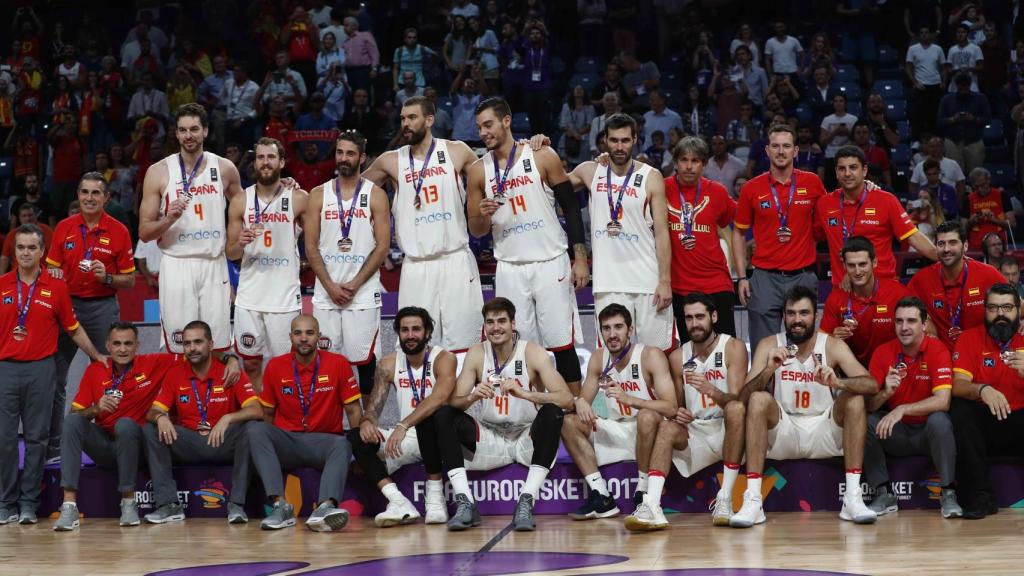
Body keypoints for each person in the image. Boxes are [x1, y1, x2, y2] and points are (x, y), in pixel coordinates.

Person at [53, 322, 241, 530]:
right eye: (117, 344)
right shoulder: (96, 371)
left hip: (136, 446)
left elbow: (196, 353)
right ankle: (69, 505)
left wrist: (230, 358)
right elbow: (75, 415)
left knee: (125, 425)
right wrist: (96, 409)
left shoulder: (154, 363)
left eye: (128, 344)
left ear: (137, 346)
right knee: (71, 421)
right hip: (106, 445)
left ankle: (128, 503)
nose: (122, 349)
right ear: (108, 345)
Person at [467, 97, 589, 393]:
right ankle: (531, 411)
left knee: (562, 343)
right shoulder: (477, 170)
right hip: (509, 266)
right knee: (517, 347)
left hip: (550, 261)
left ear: (506, 121)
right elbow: (476, 229)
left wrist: (580, 258)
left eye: (489, 124)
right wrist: (482, 215)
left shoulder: (542, 155)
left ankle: (574, 409)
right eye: (480, 127)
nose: (483, 132)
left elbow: (571, 208)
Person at [729, 286, 879, 527]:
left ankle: (852, 497)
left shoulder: (831, 345)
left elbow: (872, 385)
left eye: (804, 313)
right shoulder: (769, 344)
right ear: (783, 316)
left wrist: (837, 381)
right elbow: (743, 399)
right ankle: (753, 500)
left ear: (815, 316)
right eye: (791, 313)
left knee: (854, 399)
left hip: (824, 428)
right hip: (784, 430)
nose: (797, 320)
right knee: (758, 400)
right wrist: (769, 369)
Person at [432, 297, 572, 531]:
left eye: (501, 321)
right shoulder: (477, 353)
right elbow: (454, 402)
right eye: (490, 322)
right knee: (444, 414)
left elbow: (566, 398)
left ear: (513, 324)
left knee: (553, 412)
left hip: (526, 437)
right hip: (491, 438)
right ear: (484, 327)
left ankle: (526, 500)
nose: (495, 327)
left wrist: (525, 394)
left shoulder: (533, 352)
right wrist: (473, 396)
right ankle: (466, 503)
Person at [0, 224, 106, 525]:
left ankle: (29, 504)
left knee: (37, 440)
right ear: (14, 251)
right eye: (20, 247)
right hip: (5, 368)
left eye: (32, 247)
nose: (25, 253)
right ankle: (5, 502)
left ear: (42, 251)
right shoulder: (2, 284)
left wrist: (96, 355)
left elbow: (72, 327)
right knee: (5, 439)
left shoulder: (56, 286)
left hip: (42, 369)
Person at [362, 96, 483, 353]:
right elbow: (349, 193)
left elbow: (495, 174)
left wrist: (526, 146)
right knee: (415, 348)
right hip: (416, 266)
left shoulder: (456, 151)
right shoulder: (390, 161)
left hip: (456, 261)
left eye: (412, 118)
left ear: (429, 120)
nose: (405, 124)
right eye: (403, 118)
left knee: (466, 346)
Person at [626, 292, 748, 530]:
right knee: (668, 426)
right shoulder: (677, 356)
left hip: (727, 428)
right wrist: (678, 413)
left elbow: (739, 401)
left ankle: (725, 498)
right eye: (689, 318)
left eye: (700, 317)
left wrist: (711, 390)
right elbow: (677, 405)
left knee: (735, 410)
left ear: (713, 316)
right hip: (696, 432)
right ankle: (651, 505)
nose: (694, 324)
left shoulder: (733, 347)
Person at [44, 172, 136, 461]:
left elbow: (130, 281)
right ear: (78, 194)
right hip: (66, 307)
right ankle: (56, 447)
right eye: (84, 192)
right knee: (55, 379)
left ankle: (113, 442)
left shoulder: (119, 230)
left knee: (113, 374)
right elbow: (50, 269)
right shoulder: (64, 228)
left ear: (106, 197)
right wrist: (54, 273)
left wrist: (107, 276)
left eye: (96, 193)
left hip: (102, 307)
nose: (89, 198)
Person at [139, 103, 244, 353]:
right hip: (177, 263)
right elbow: (144, 232)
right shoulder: (158, 172)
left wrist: (283, 186)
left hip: (213, 262)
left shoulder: (225, 168)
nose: (189, 135)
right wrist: (168, 219)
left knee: (217, 343)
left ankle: (216, 393)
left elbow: (248, 209)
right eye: (183, 130)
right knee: (178, 344)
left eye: (194, 129)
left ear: (205, 131)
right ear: (176, 133)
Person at [564, 113, 673, 350]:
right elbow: (552, 184)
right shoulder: (590, 171)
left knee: (657, 356)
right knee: (610, 359)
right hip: (608, 282)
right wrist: (532, 149)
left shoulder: (651, 177)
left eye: (625, 140)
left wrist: (665, 280)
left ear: (635, 139)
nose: (619, 146)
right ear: (604, 140)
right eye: (614, 140)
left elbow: (663, 233)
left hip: (647, 281)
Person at [560, 304, 676, 522]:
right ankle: (601, 496)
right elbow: (584, 399)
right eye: (606, 328)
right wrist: (580, 402)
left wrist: (631, 399)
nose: (612, 334)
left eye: (618, 327)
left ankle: (642, 491)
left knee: (647, 415)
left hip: (649, 432)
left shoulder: (650, 355)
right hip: (615, 428)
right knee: (568, 422)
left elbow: (671, 407)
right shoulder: (598, 358)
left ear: (630, 330)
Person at [248, 314, 363, 531]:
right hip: (288, 441)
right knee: (255, 428)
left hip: (324, 441)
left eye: (309, 333)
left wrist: (361, 454)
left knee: (343, 444)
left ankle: (325, 509)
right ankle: (281, 507)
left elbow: (354, 410)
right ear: (290, 337)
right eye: (298, 333)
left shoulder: (338, 363)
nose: (303, 338)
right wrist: (263, 456)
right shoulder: (275, 366)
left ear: (319, 336)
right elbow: (268, 415)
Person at [141, 321, 262, 524]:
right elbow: (153, 411)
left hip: (224, 440)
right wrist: (161, 417)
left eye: (198, 342)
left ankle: (236, 505)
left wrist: (228, 418)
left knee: (252, 428)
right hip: (190, 442)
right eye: (187, 344)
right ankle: (169, 505)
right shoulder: (175, 374)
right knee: (150, 429)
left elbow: (256, 410)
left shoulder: (230, 371)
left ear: (211, 344)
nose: (192, 348)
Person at [348, 307, 457, 527]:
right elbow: (373, 407)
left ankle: (435, 501)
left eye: (416, 329)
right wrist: (367, 422)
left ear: (427, 332)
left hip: (437, 437)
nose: (410, 335)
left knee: (429, 421)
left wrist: (403, 425)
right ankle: (398, 501)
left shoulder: (443, 359)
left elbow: (439, 398)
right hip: (406, 439)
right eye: (405, 330)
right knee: (355, 438)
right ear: (398, 333)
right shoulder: (388, 364)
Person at [306, 130, 388, 395]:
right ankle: (328, 426)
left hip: (362, 293)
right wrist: (330, 285)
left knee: (365, 364)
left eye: (350, 153)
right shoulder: (318, 195)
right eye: (340, 152)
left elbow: (383, 246)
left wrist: (354, 283)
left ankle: (367, 427)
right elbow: (310, 246)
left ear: (362, 158)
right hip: (326, 293)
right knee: (326, 366)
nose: (343, 158)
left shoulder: (376, 195)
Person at [863, 296, 961, 518]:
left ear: (924, 324)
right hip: (896, 433)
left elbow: (943, 401)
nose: (904, 327)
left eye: (911, 321)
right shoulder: (883, 352)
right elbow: (868, 406)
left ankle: (948, 493)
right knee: (866, 422)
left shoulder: (938, 350)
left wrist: (901, 409)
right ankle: (884, 492)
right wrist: (885, 393)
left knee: (940, 420)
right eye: (899, 321)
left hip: (928, 434)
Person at [732, 124, 828, 350]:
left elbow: (833, 212)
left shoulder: (812, 183)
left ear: (795, 151)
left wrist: (867, 187)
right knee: (764, 351)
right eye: (775, 146)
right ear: (767, 151)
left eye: (786, 146)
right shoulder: (751, 188)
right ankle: (763, 388)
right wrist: (742, 277)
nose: (781, 151)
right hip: (764, 278)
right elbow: (738, 232)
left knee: (805, 348)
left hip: (803, 275)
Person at [226, 137, 307, 392]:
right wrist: (240, 242)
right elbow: (230, 252)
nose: (265, 162)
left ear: (281, 162)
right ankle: (260, 416)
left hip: (284, 296)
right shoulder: (240, 200)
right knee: (250, 363)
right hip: (250, 296)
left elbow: (316, 240)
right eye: (260, 157)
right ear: (255, 163)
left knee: (286, 364)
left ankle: (284, 416)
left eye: (271, 157)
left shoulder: (298, 197)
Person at [950, 283, 1024, 519]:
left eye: (1006, 307)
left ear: (1018, 310)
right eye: (993, 307)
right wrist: (982, 389)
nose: (1000, 314)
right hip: (985, 427)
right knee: (960, 408)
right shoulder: (970, 338)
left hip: (1020, 423)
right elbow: (958, 384)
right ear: (984, 310)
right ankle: (981, 496)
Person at [815, 146, 936, 288]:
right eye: (842, 169)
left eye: (853, 167)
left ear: (864, 171)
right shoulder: (824, 204)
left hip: (882, 289)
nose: (847, 173)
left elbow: (913, 237)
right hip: (843, 291)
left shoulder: (886, 200)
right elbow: (813, 236)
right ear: (836, 172)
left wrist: (945, 259)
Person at [662, 136, 738, 338]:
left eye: (695, 161)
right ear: (675, 162)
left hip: (717, 283)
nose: (688, 166)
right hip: (679, 287)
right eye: (683, 160)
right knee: (689, 354)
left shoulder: (717, 192)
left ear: (704, 164)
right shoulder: (661, 189)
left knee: (726, 349)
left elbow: (740, 222)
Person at [908, 221, 1007, 351]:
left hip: (982, 357)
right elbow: (902, 308)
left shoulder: (988, 274)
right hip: (942, 361)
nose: (947, 249)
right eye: (941, 244)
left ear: (965, 246)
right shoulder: (921, 279)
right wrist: (926, 322)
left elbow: (1017, 306)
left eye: (953, 242)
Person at [819, 236, 914, 366]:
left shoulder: (898, 294)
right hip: (853, 372)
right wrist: (832, 340)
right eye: (851, 265)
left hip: (893, 369)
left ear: (874, 262)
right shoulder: (836, 298)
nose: (857, 271)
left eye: (862, 264)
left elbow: (921, 332)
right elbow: (820, 346)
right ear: (844, 266)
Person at [905, 27, 946, 138]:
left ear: (930, 34)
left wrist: (943, 81)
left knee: (934, 115)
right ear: (919, 35)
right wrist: (915, 82)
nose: (924, 35)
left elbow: (943, 68)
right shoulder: (913, 49)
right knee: (918, 116)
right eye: (921, 33)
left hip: (935, 85)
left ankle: (936, 139)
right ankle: (918, 141)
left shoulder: (938, 49)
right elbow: (908, 68)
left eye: (926, 32)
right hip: (921, 87)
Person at [964, 167, 1014, 250]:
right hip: (976, 246)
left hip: (998, 245)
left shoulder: (1002, 195)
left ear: (988, 180)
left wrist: (994, 220)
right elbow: (962, 228)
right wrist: (971, 222)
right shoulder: (968, 199)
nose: (980, 189)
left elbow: (1012, 223)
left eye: (983, 185)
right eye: (976, 186)